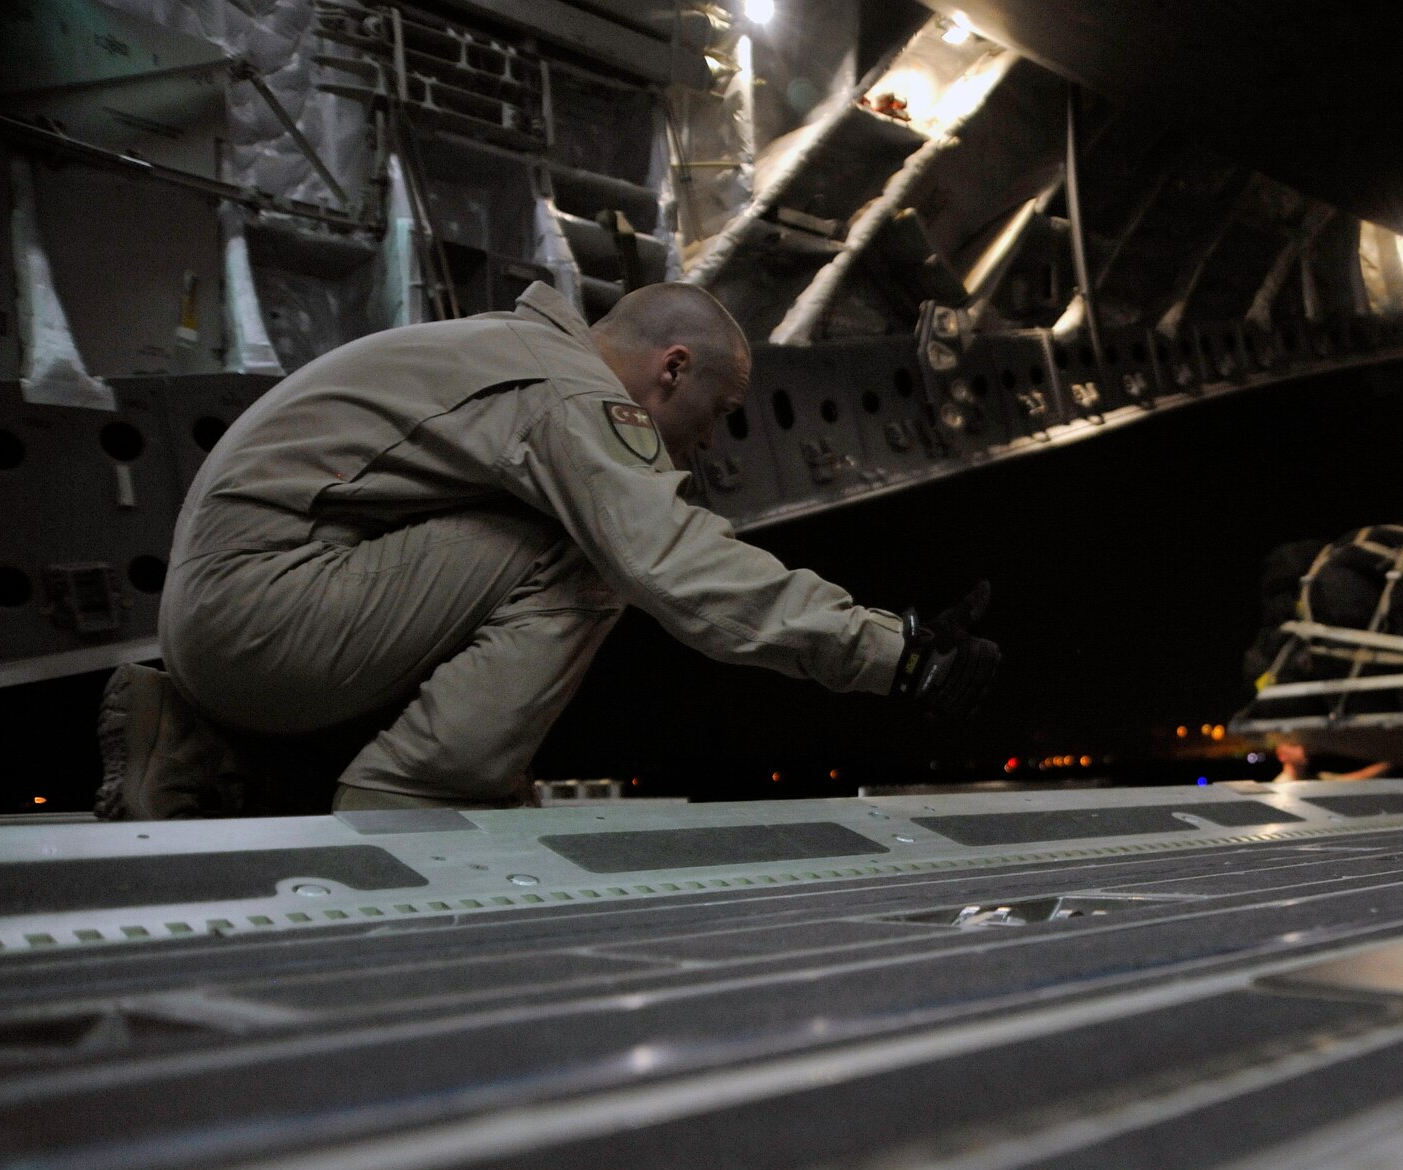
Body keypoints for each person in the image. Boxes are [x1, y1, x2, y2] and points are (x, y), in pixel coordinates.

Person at [98, 282, 998, 817]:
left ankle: (188, 751)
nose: (713, 446)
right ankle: (420, 799)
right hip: (263, 613)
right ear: (673, 368)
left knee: (554, 543)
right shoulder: (571, 396)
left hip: (229, 622)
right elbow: (677, 566)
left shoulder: (510, 351)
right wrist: (894, 652)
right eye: (717, 416)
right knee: (595, 551)